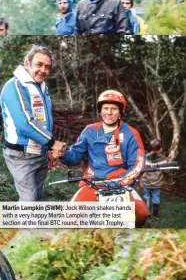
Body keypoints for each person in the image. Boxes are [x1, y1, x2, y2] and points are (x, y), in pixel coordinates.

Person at [53, 90, 148, 223]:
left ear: (121, 111)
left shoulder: (131, 133)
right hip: (93, 183)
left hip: (121, 184)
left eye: (114, 109)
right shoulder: (90, 130)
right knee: (70, 218)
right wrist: (62, 154)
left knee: (141, 213)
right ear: (100, 110)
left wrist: (122, 182)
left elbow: (138, 164)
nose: (109, 112)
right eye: (106, 108)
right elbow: (74, 157)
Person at [1, 46, 66, 202]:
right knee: (29, 200)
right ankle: (27, 227)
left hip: (40, 153)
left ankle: (34, 226)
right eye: (39, 64)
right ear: (27, 63)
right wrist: (52, 142)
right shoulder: (15, 86)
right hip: (21, 155)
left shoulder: (41, 87)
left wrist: (48, 148)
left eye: (47, 67)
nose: (43, 70)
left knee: (37, 197)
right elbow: (25, 124)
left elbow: (44, 121)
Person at [140, 140, 168, 218]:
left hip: (146, 181)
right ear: (160, 149)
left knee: (147, 196)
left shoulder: (145, 157)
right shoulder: (163, 158)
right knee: (156, 196)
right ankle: (155, 215)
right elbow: (166, 170)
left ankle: (147, 213)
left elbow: (142, 168)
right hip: (157, 182)